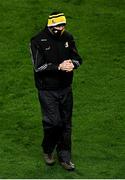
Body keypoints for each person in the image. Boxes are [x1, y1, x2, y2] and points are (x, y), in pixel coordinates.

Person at [30, 12, 82, 171]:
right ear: (50, 26)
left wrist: (73, 64)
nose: (62, 29)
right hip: (47, 90)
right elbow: (38, 66)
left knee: (66, 124)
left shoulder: (68, 37)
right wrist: (59, 66)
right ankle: (47, 149)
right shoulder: (37, 40)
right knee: (54, 123)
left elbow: (78, 58)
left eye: (63, 25)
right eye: (59, 26)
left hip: (66, 88)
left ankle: (65, 157)